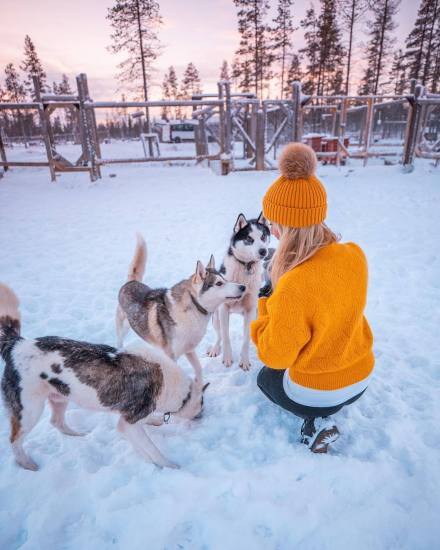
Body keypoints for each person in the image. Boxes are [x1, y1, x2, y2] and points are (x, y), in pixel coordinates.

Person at [251, 142, 374, 454]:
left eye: (274, 225)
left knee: (266, 378)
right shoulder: (355, 255)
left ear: (286, 227)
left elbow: (275, 356)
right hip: (360, 377)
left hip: (317, 392)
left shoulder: (293, 284)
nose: (273, 233)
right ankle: (324, 407)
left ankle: (316, 420)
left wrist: (266, 303)